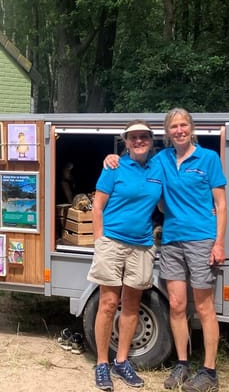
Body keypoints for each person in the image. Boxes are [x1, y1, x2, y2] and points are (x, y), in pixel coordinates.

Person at [104, 108, 227, 392]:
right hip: (171, 240)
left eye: (184, 125)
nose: (179, 130)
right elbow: (135, 164)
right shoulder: (162, 159)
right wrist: (111, 158)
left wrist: (218, 242)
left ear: (191, 128)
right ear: (167, 132)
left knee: (205, 306)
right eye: (174, 127)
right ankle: (182, 364)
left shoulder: (208, 159)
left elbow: (220, 204)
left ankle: (209, 371)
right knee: (177, 305)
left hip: (201, 240)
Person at [89, 121, 164, 391]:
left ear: (151, 140)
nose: (139, 140)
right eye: (133, 137)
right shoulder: (114, 166)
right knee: (108, 303)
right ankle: (101, 364)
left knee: (132, 305)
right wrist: (100, 241)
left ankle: (122, 361)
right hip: (112, 242)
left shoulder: (160, 167)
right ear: (126, 141)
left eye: (144, 136)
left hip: (142, 245)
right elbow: (97, 206)